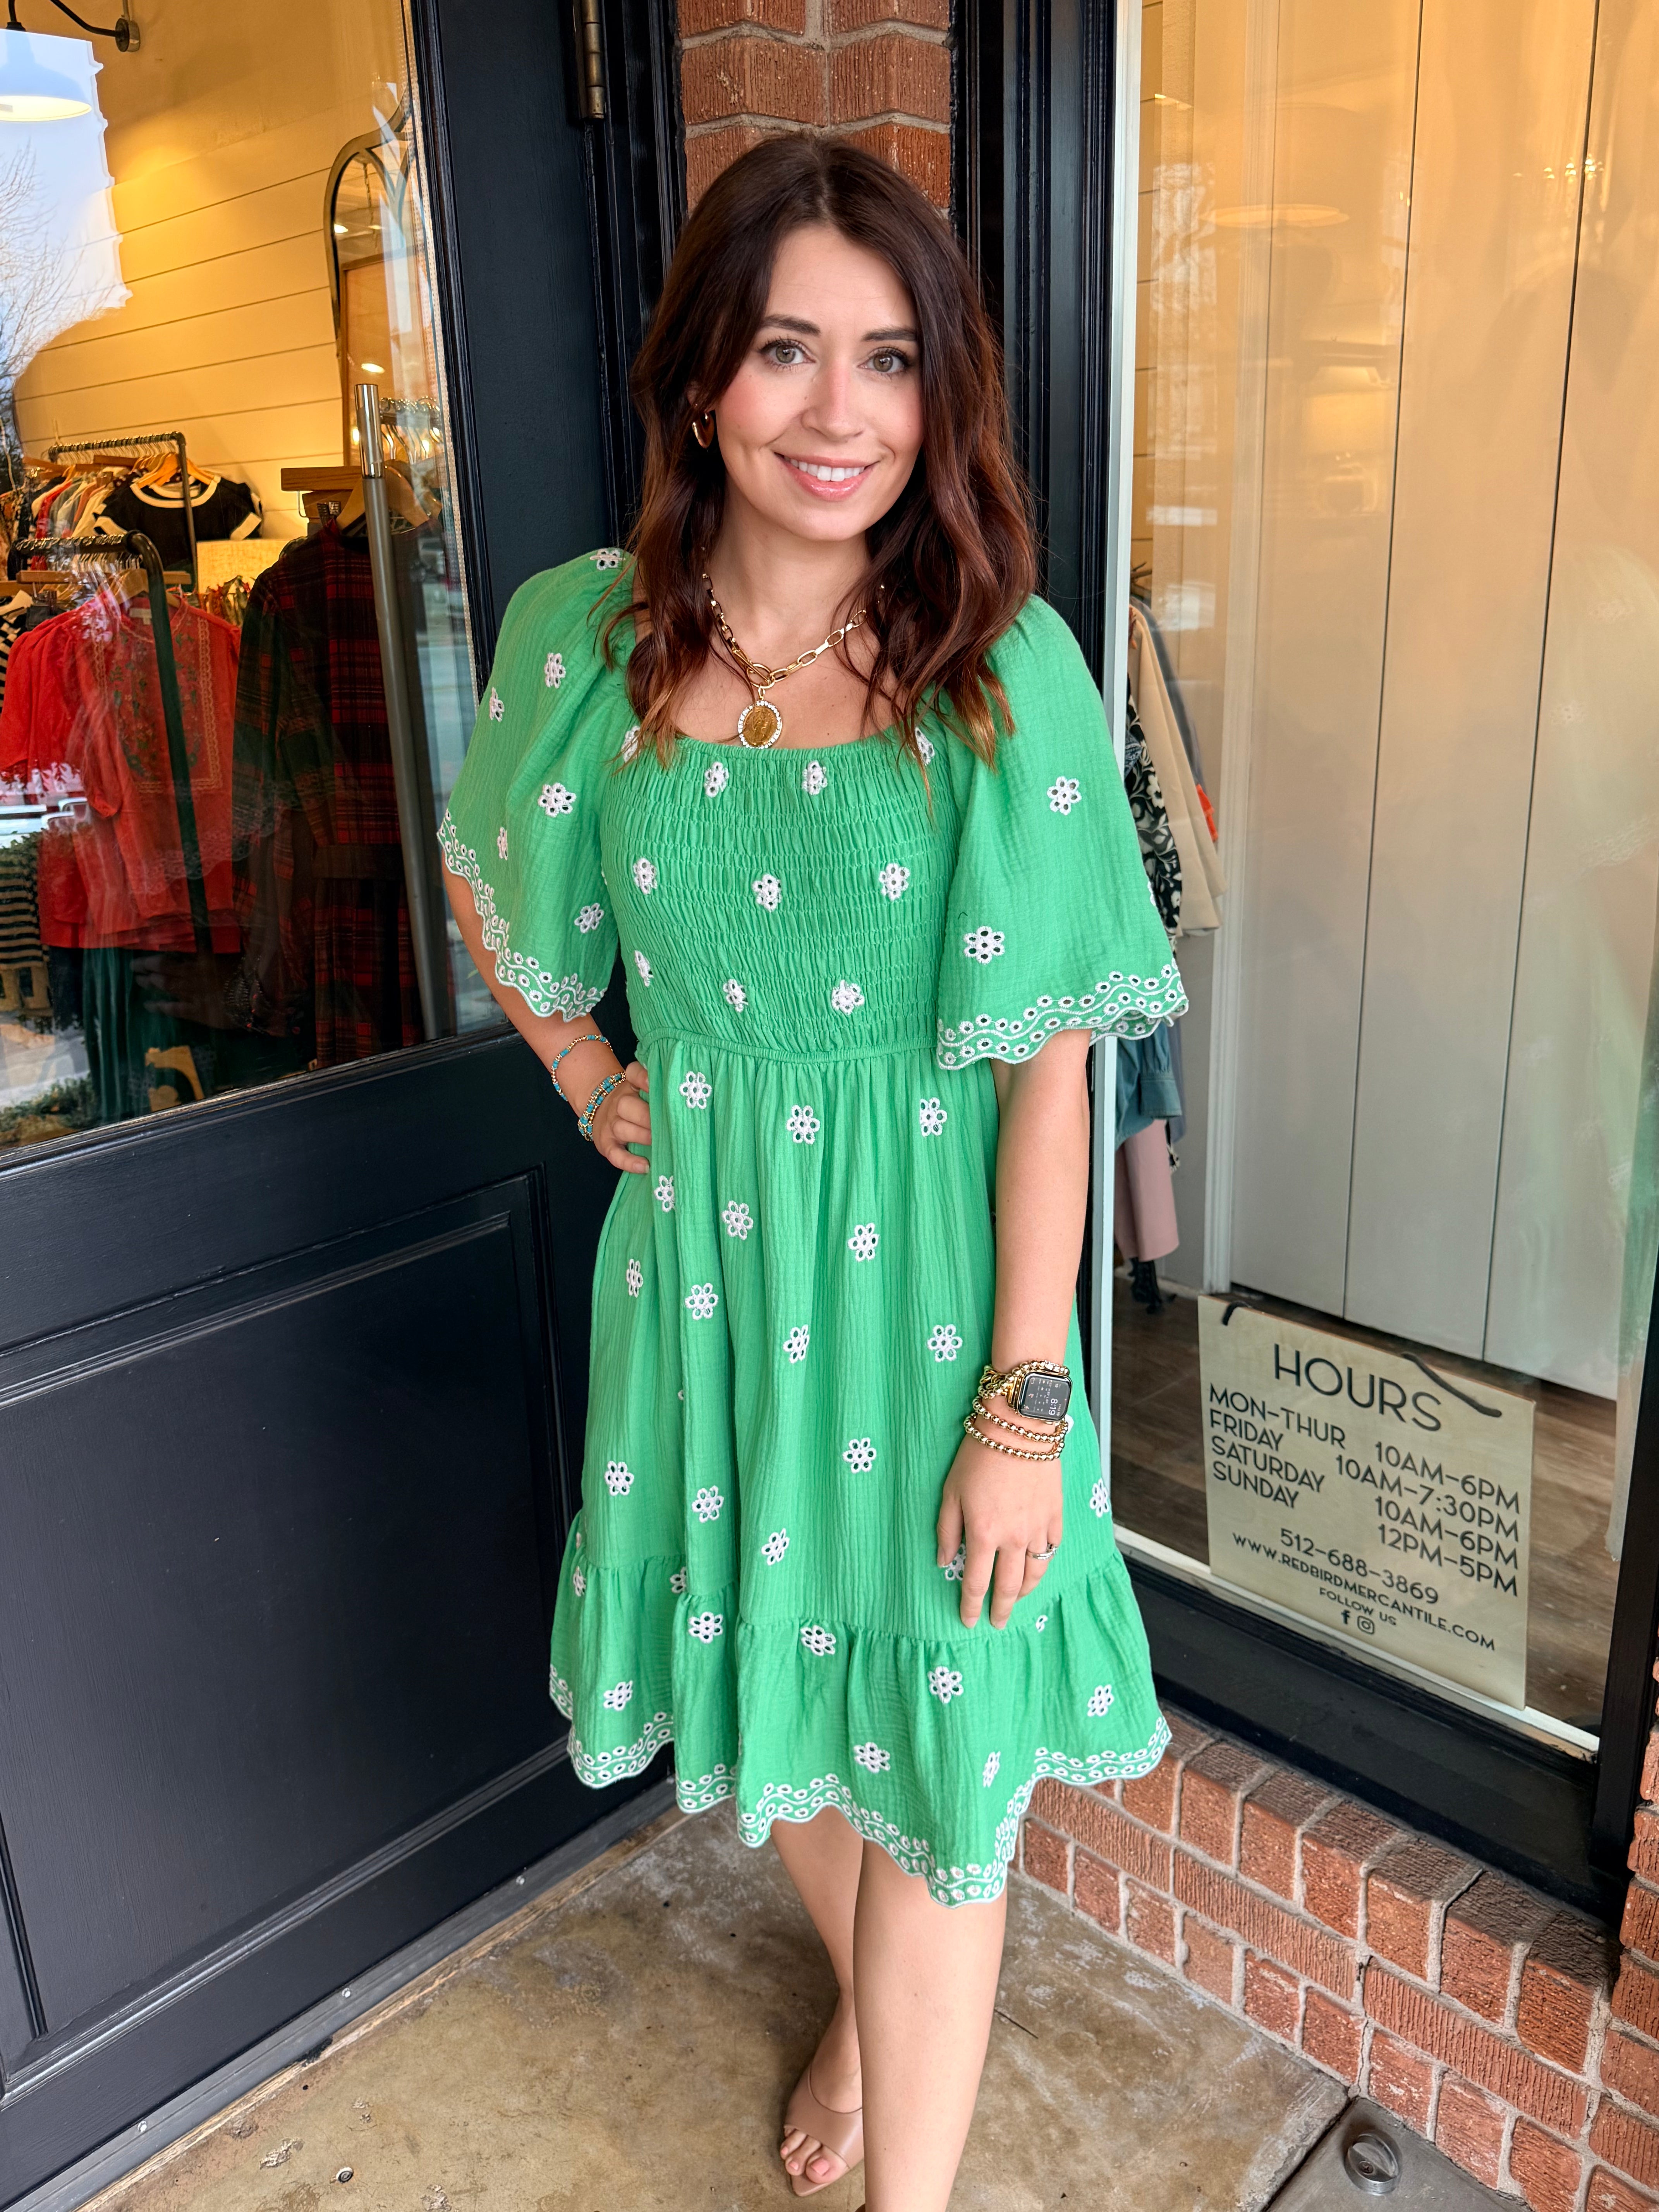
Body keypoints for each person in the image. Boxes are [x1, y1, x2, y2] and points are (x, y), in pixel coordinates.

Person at [440, 132, 1184, 2212]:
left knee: (935, 1745)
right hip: (706, 1282)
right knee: (773, 1702)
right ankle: (865, 2002)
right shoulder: (586, 640)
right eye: (785, 350)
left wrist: (1026, 1406)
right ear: (700, 382)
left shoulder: (1000, 668)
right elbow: (498, 873)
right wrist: (586, 1063)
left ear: (939, 393)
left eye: (890, 357)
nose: (839, 412)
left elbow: (1055, 1077)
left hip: (941, 1302)